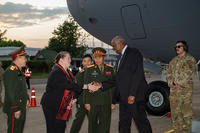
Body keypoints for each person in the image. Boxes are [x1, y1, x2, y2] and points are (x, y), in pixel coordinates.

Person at [92, 36, 152, 133]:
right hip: (124, 98)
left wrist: (132, 94)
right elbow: (118, 78)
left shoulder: (133, 52)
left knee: (141, 122)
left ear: (121, 43)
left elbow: (138, 74)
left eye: (114, 45)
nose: (113, 48)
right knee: (124, 123)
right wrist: (102, 85)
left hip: (134, 97)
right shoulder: (120, 57)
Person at [40, 51, 96, 133]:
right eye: (68, 58)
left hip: (62, 104)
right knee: (54, 129)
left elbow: (73, 85)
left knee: (61, 127)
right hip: (52, 105)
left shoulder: (67, 72)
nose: (70, 60)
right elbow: (69, 85)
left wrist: (74, 98)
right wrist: (87, 86)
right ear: (61, 60)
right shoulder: (57, 71)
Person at [167, 40, 196, 133]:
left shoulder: (190, 60)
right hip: (174, 92)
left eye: (179, 46)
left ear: (184, 47)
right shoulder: (173, 61)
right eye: (176, 47)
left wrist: (177, 83)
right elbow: (169, 72)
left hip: (185, 92)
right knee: (175, 114)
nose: (177, 48)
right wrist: (170, 81)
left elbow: (190, 73)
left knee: (187, 114)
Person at [83, 47, 115, 133]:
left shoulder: (110, 69)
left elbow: (113, 86)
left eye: (99, 57)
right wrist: (86, 102)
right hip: (93, 101)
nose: (97, 59)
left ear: (104, 57)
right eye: (95, 57)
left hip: (106, 101)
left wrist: (113, 102)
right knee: (92, 124)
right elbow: (86, 85)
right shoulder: (89, 69)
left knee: (105, 124)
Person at [3, 46, 29, 133]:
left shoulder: (18, 71)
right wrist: (16, 108)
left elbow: (21, 88)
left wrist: (27, 98)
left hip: (21, 106)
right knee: (14, 130)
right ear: (18, 58)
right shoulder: (11, 71)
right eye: (25, 58)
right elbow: (11, 92)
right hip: (15, 107)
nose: (26, 60)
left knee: (19, 129)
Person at [70, 54, 93, 133]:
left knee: (94, 121)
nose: (87, 63)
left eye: (89, 61)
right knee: (79, 120)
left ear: (92, 62)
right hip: (82, 100)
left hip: (93, 101)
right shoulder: (80, 73)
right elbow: (78, 87)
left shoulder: (95, 73)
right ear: (82, 63)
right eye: (85, 61)